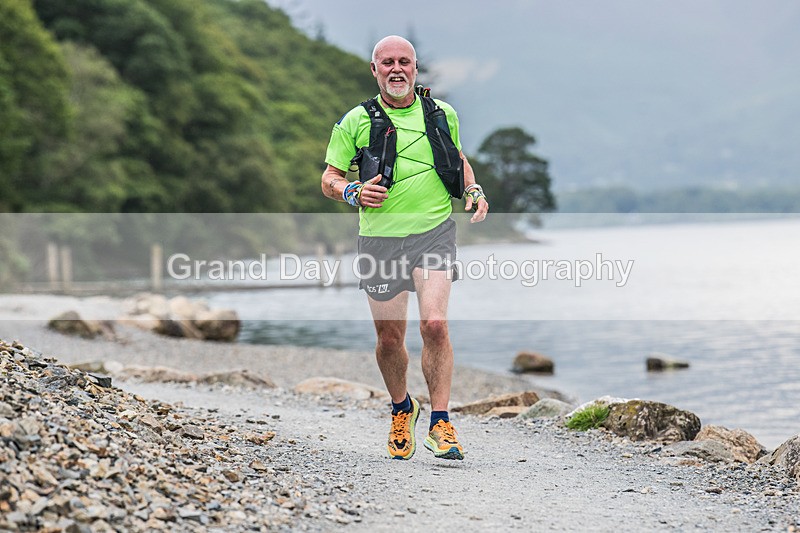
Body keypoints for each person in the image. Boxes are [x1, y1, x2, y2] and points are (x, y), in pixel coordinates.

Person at [321, 35, 488, 460]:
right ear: (374, 70)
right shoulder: (356, 120)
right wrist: (354, 192)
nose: (397, 69)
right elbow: (330, 179)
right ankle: (402, 408)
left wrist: (472, 188)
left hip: (434, 231)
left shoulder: (441, 113)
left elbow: (458, 157)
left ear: (415, 69)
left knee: (434, 325)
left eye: (405, 62)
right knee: (390, 338)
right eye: (387, 62)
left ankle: (441, 422)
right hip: (379, 239)